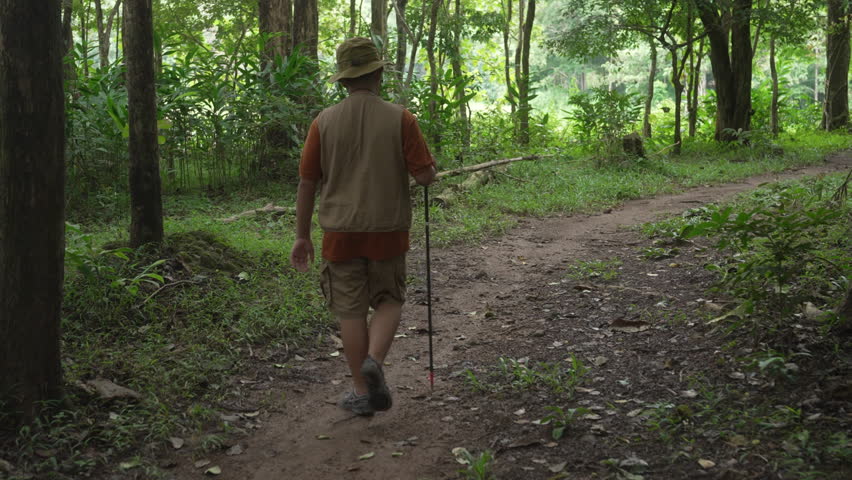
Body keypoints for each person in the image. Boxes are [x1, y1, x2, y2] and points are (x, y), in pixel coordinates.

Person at [290, 37, 437, 416]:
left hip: (339, 233)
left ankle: (361, 389)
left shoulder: (323, 122)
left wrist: (302, 236)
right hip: (387, 230)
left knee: (349, 311)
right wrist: (428, 171)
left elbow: (308, 182)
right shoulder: (401, 118)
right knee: (389, 299)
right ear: (379, 73)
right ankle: (374, 360)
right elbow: (424, 178)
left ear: (343, 80)